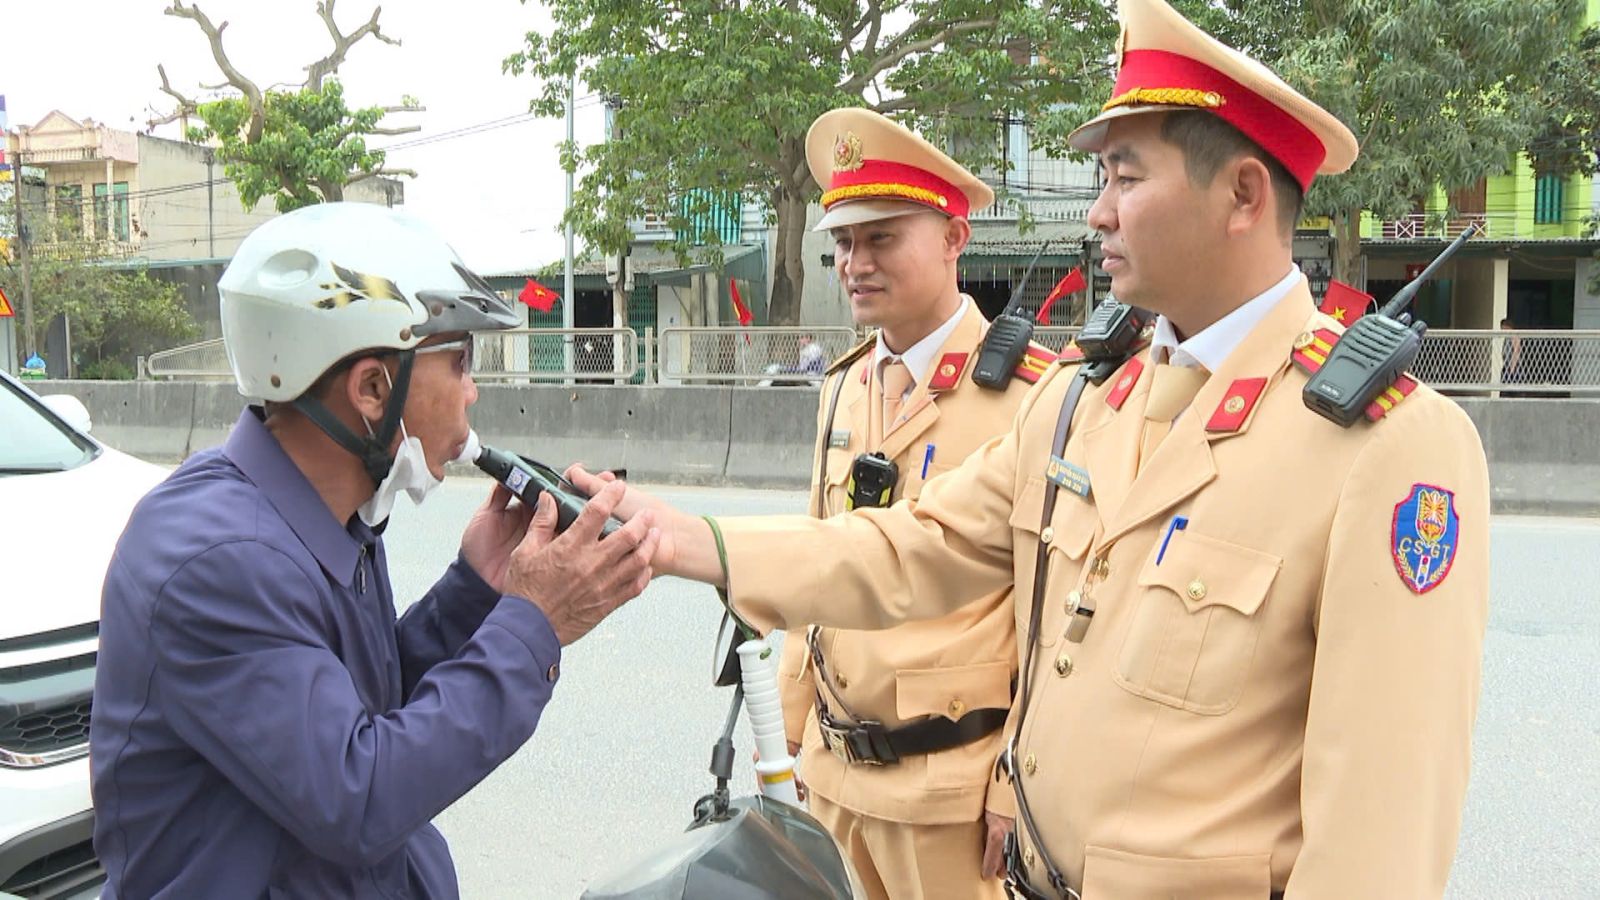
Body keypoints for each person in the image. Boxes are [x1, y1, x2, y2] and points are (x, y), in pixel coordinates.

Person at [574, 0, 1491, 895]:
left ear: (1243, 194)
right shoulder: (1082, 401)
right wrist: (681, 539)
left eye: (1126, 178)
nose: (1098, 212)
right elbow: (911, 547)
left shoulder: (1387, 448)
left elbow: (1380, 846)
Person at [90, 203, 660, 898]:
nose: (474, 389)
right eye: (459, 360)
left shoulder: (328, 514)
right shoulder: (215, 558)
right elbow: (358, 796)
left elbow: (356, 710)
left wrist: (475, 592)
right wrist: (534, 620)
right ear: (371, 387)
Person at [771, 107, 1054, 900]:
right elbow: (816, 571)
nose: (854, 263)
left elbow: (1048, 609)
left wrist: (1017, 783)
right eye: (842, 244)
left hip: (953, 795)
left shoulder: (1036, 396)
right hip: (833, 779)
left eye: (881, 238)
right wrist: (788, 735)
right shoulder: (841, 387)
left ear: (953, 239)